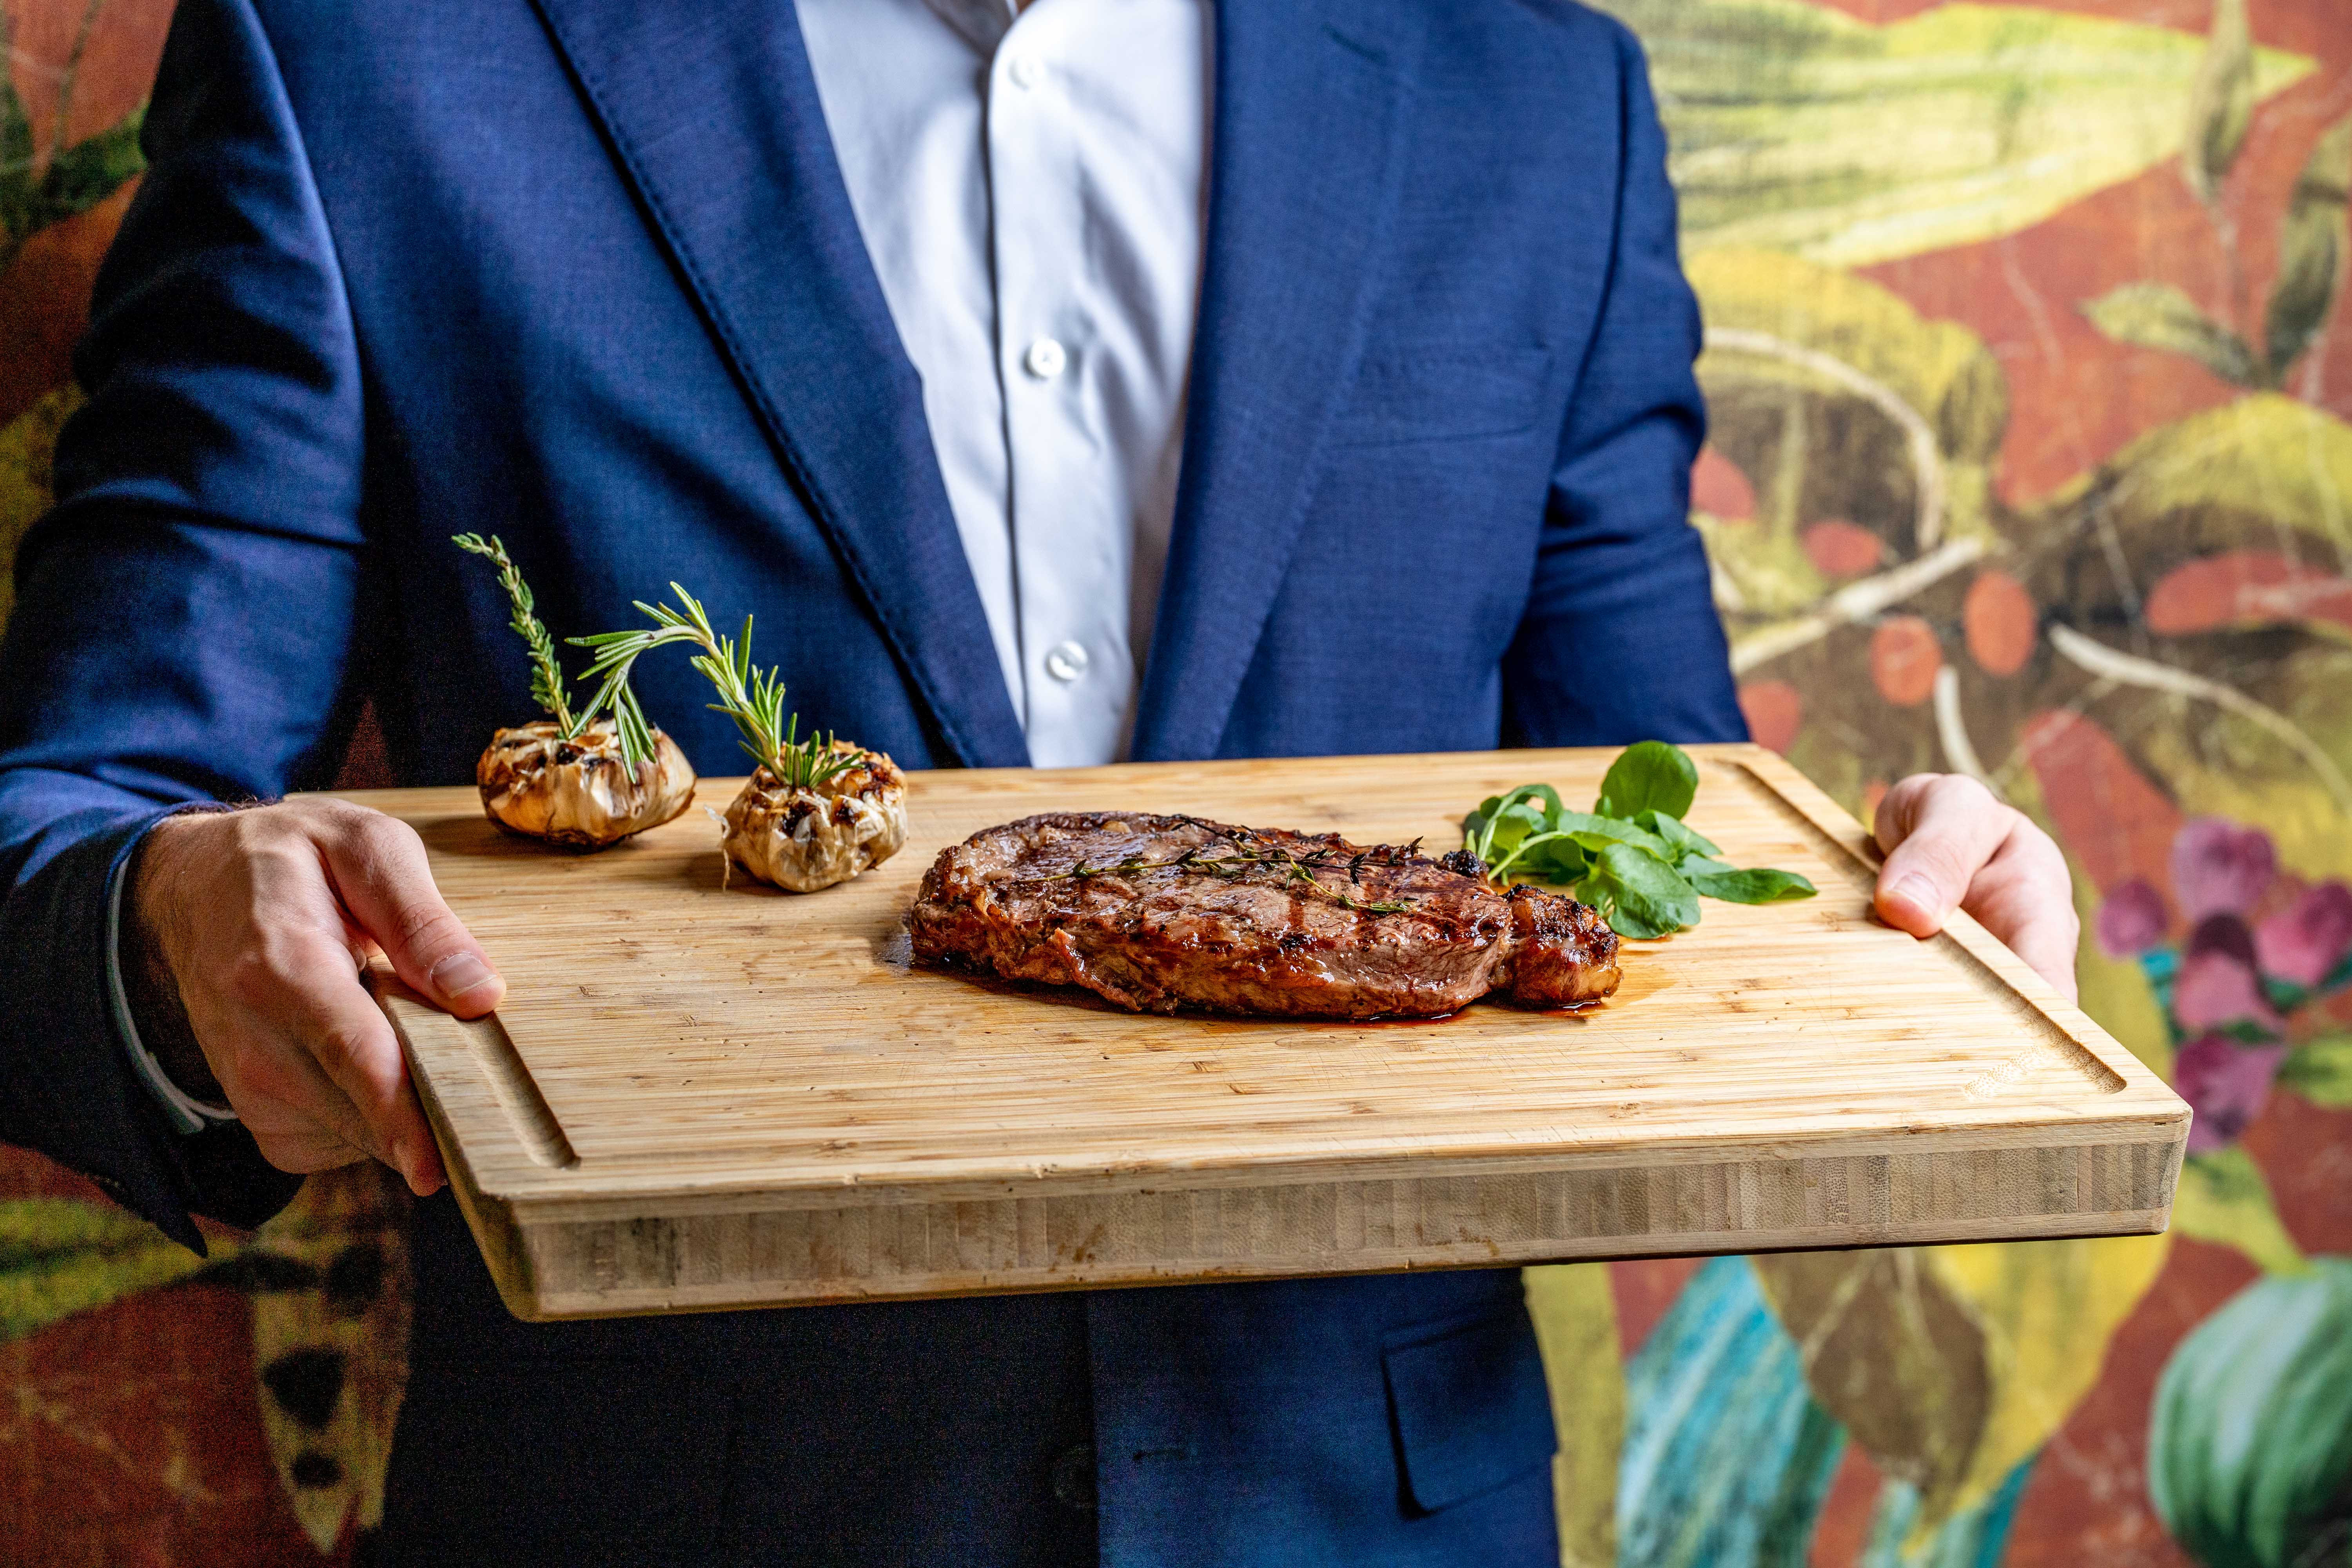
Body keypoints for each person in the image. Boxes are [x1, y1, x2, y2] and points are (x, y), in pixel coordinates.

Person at [0, 0, 2079, 1562]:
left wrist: (1895, 910)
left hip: (1371, 1513)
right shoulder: (370, 54)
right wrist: (171, 930)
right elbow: (71, 818)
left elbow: (1641, 833)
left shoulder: (1530, 97)